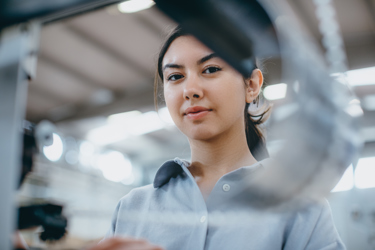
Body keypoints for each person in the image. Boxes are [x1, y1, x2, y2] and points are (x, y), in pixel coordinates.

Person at [95, 27, 345, 250]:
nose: (190, 90)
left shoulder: (299, 205)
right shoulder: (132, 209)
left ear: (251, 85)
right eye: (175, 77)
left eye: (211, 69)